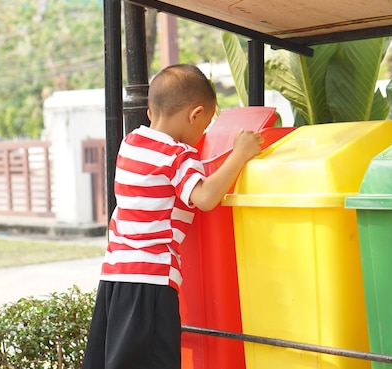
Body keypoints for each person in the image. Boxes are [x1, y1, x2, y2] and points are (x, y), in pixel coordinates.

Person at [82, 64, 264, 369]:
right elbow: (205, 197)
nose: (201, 135)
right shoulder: (179, 155)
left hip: (114, 277)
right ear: (195, 115)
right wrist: (240, 154)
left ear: (151, 112)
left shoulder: (130, 145)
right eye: (204, 126)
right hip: (151, 280)